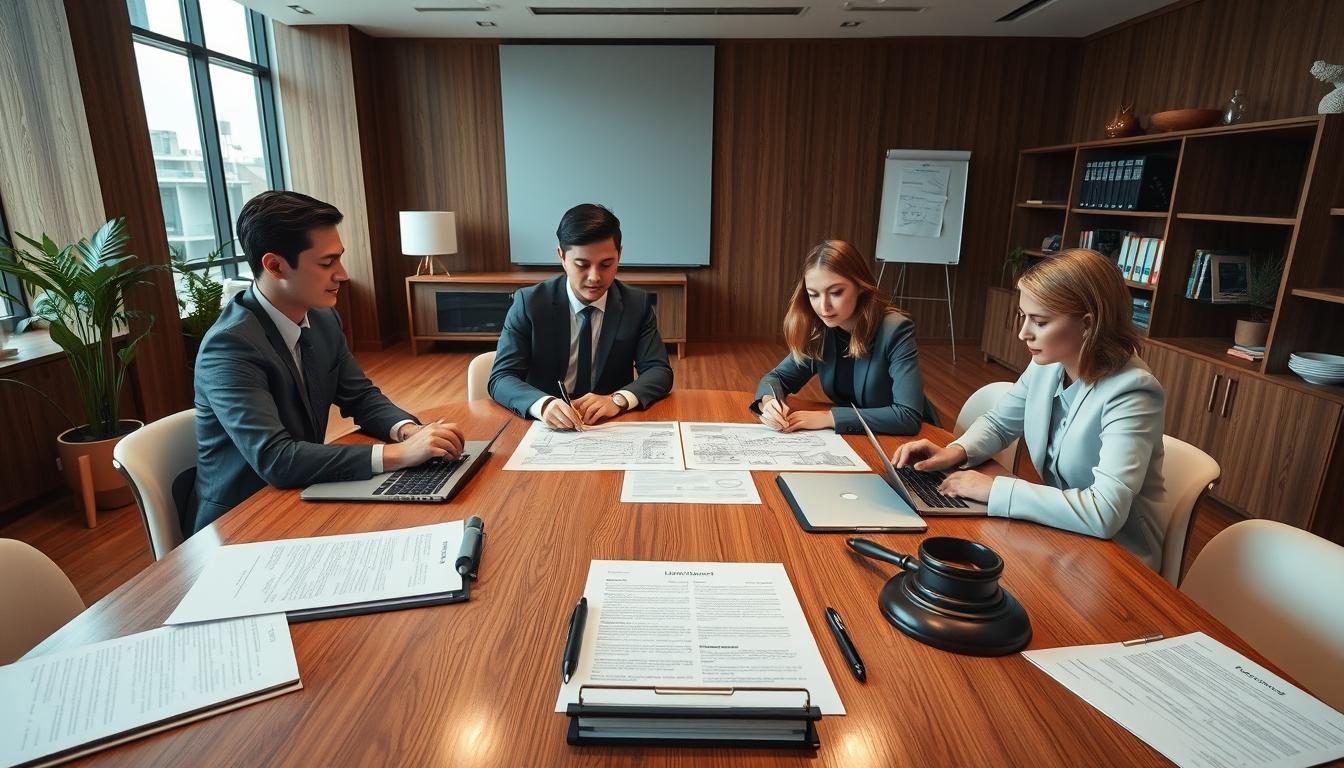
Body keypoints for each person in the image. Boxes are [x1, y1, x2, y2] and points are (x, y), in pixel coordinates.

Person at [192, 191, 464, 532]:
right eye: (326, 263)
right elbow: (277, 459)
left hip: (302, 494)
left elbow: (361, 397)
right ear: (274, 265)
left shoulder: (322, 319)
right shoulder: (229, 347)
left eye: (339, 259)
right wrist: (400, 455)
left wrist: (411, 432)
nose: (343, 274)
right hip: (243, 521)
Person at [894, 248, 1167, 570]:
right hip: (1062, 533)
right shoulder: (1050, 363)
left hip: (1118, 559)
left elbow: (1105, 512)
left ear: (1088, 324)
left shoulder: (1133, 391)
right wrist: (955, 451)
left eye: (1039, 321)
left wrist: (997, 489)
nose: (1024, 333)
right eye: (1024, 317)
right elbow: (999, 424)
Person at [488, 204, 673, 429]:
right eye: (582, 265)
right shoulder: (530, 304)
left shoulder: (637, 304)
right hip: (543, 427)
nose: (595, 277)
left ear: (619, 255)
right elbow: (501, 377)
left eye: (606, 264)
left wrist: (618, 399)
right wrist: (543, 404)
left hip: (610, 425)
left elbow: (659, 371)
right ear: (562, 257)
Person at [751, 239, 937, 435]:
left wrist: (829, 418)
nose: (823, 307)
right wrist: (769, 402)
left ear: (861, 286)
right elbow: (776, 378)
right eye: (813, 295)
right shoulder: (821, 330)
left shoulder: (896, 329)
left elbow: (907, 416)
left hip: (913, 442)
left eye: (836, 292)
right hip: (859, 438)